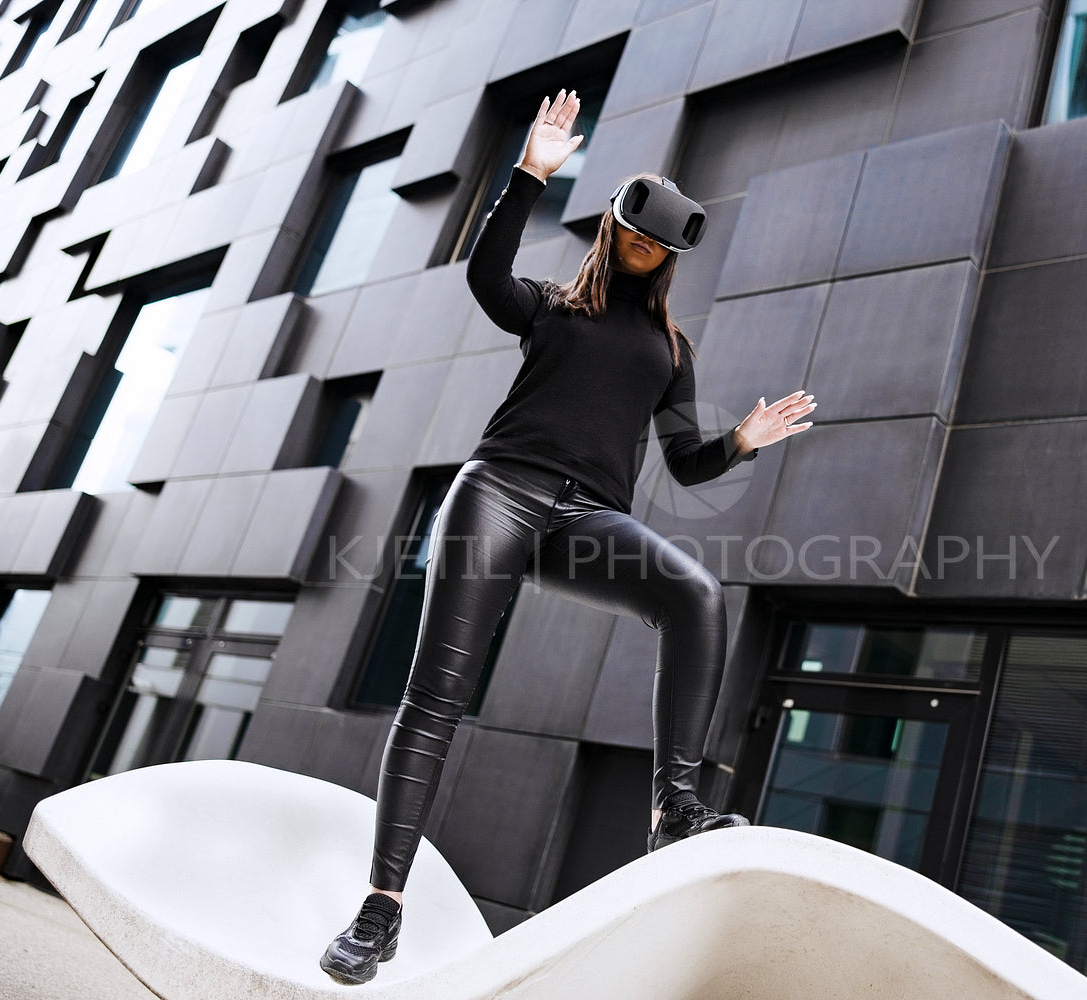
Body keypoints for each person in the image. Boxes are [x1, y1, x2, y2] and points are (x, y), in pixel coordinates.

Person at [319, 89, 818, 985]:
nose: (643, 250)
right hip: (498, 495)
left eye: (657, 245)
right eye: (634, 234)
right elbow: (483, 278)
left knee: (696, 595)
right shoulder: (551, 304)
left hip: (588, 518)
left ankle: (675, 806)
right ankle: (381, 908)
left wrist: (742, 441)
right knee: (436, 697)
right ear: (614, 230)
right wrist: (529, 175)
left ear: (669, 255)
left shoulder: (671, 351)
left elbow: (688, 463)